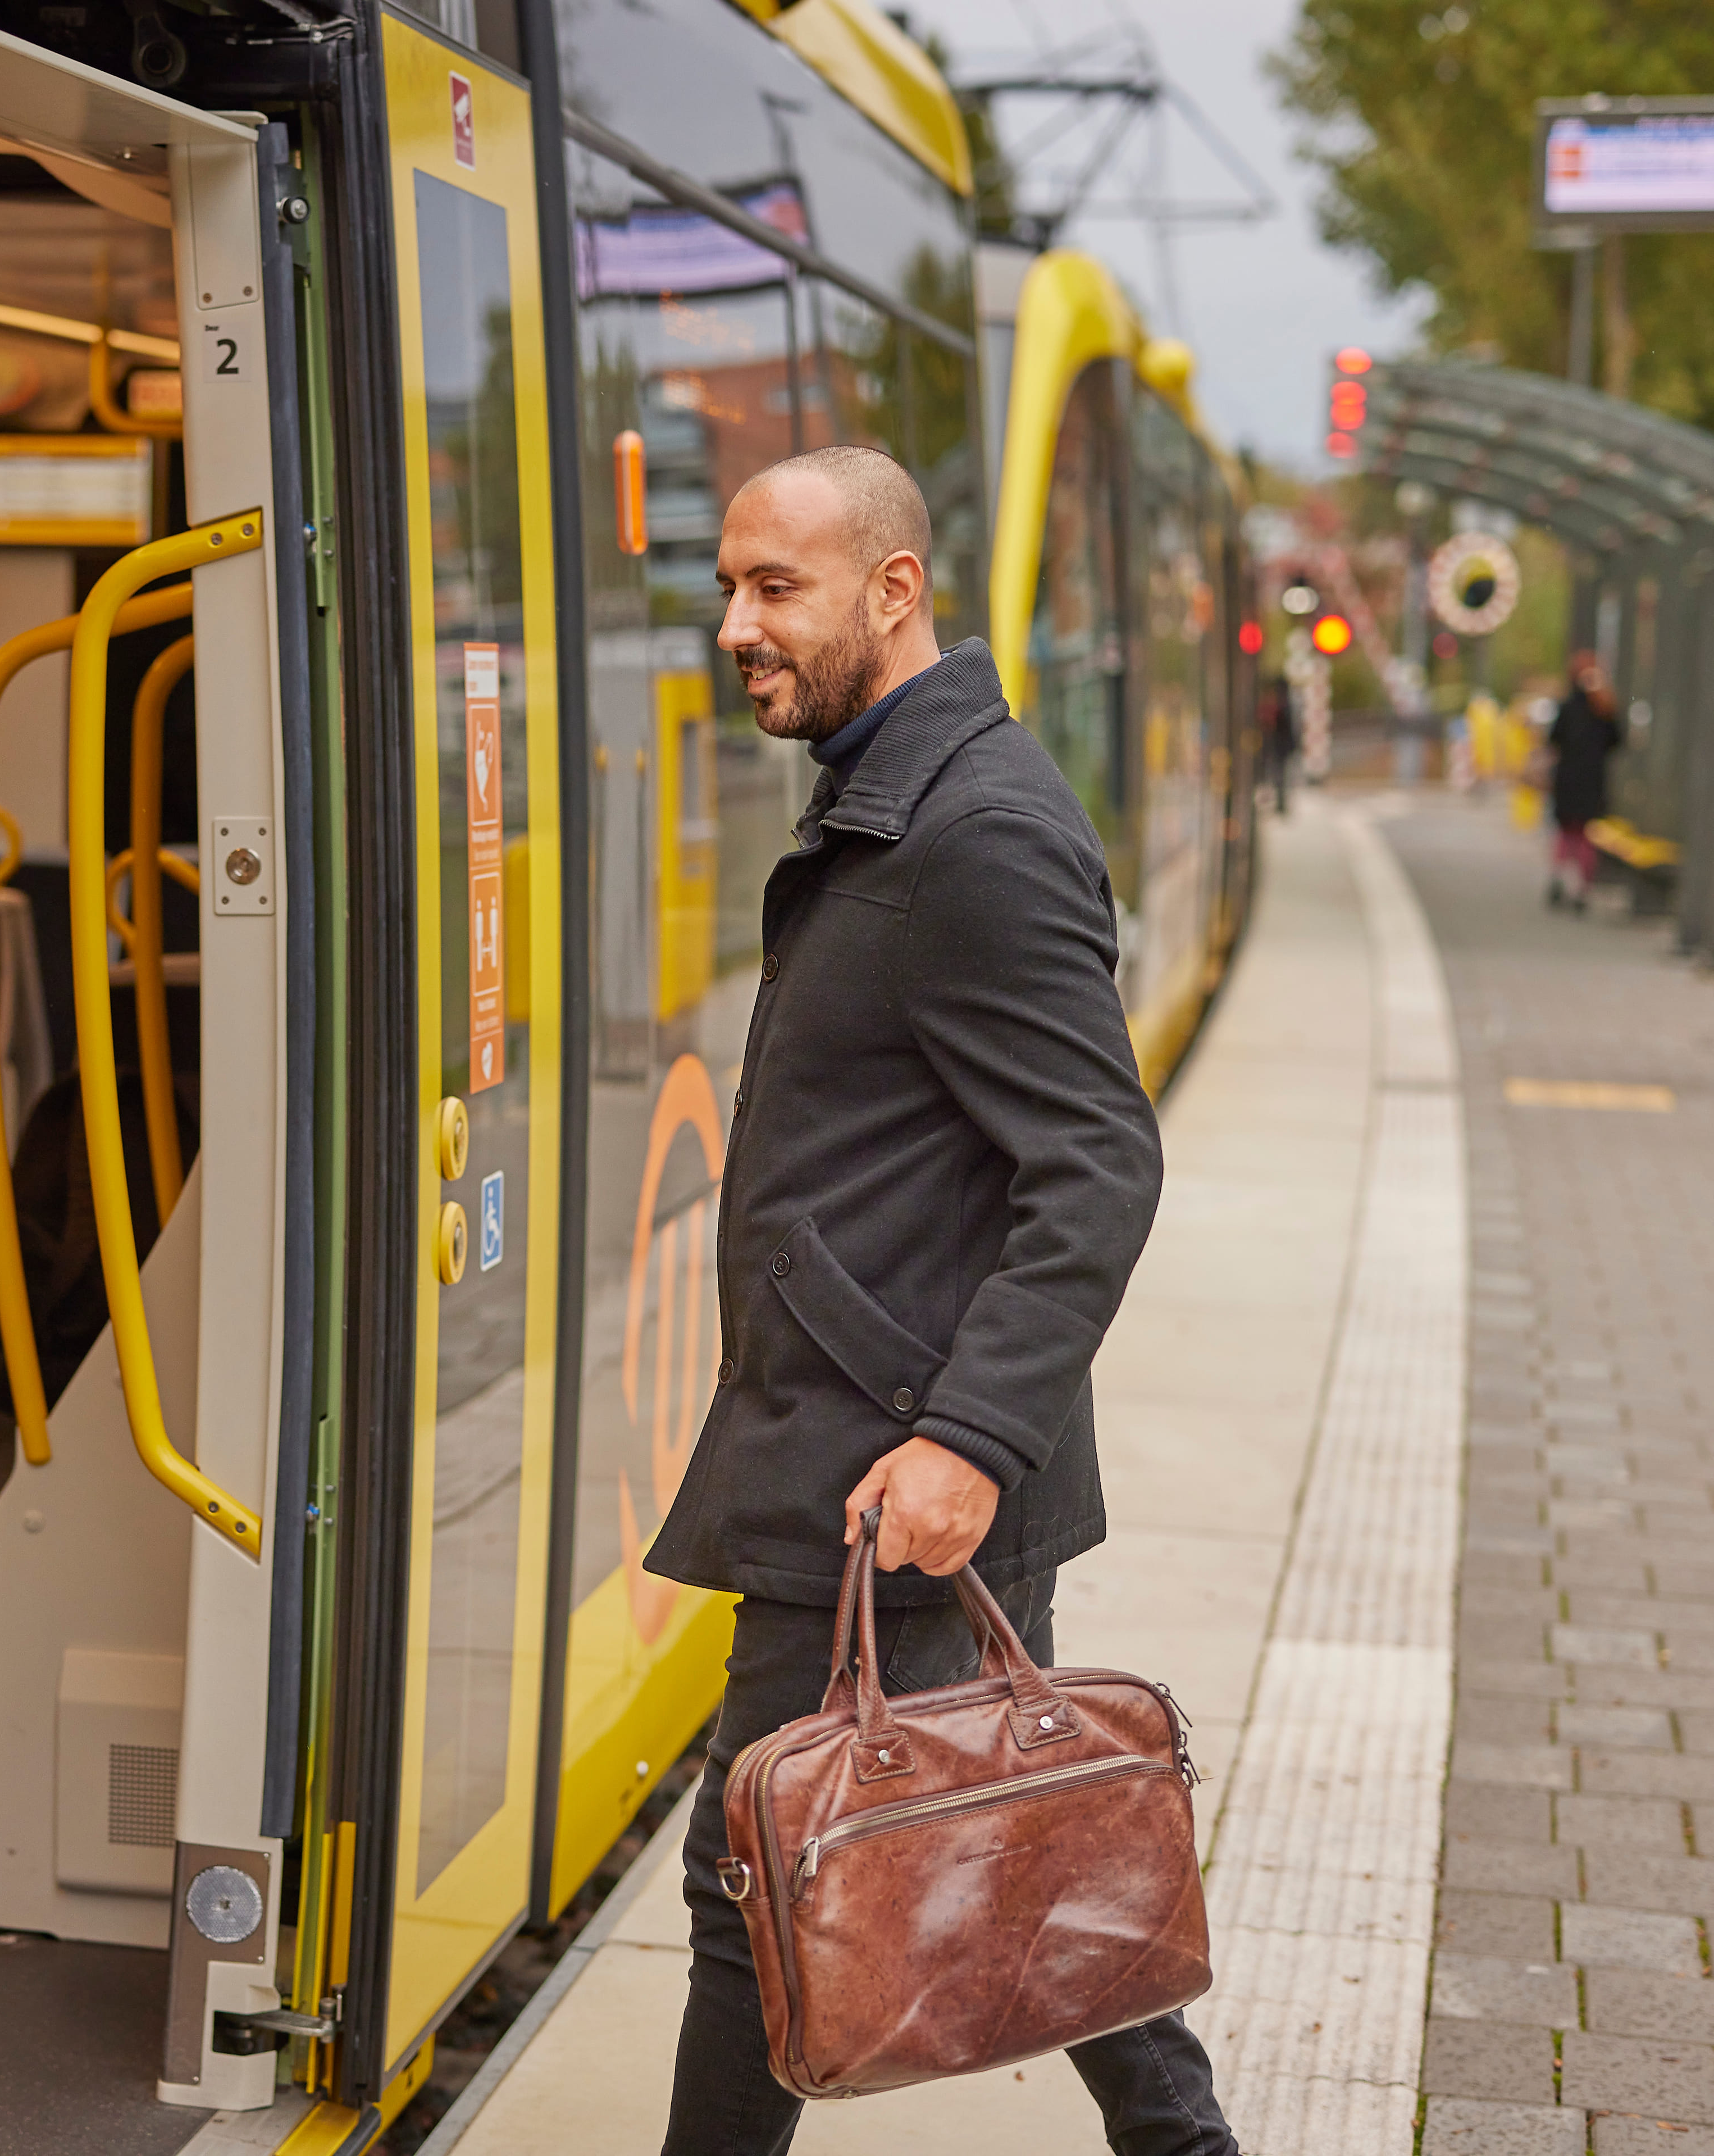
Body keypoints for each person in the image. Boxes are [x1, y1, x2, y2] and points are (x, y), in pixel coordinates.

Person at [645, 446, 1238, 2155]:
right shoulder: (891, 799)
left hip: (886, 1466)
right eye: (727, 588)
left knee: (751, 1883)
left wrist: (964, 1437)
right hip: (858, 1435)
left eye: (776, 589)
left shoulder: (969, 830)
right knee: (1017, 1853)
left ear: (892, 591)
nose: (734, 626)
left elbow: (1095, 1162)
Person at [1546, 651, 1619, 913]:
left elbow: (1553, 739)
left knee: (1566, 832)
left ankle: (1560, 878)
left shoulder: (1567, 706)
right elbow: (1616, 742)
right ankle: (1581, 888)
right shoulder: (1604, 708)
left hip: (1567, 780)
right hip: (1592, 782)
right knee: (1586, 834)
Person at [1262, 673, 1296, 814]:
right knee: (1279, 775)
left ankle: (1280, 804)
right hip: (1281, 746)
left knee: (1278, 775)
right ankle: (1279, 803)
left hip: (1279, 746)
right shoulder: (1285, 704)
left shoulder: (1281, 706)